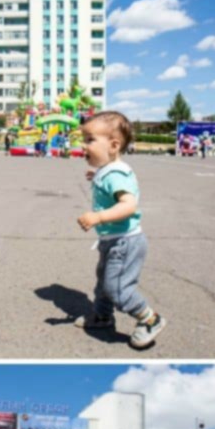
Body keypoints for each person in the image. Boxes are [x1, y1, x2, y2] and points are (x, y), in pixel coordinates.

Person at [75, 111, 166, 350]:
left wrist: (98, 217)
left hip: (125, 242)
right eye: (84, 140)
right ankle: (103, 316)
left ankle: (150, 319)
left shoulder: (116, 174)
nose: (83, 145)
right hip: (113, 240)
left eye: (90, 140)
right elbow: (110, 184)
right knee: (104, 283)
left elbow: (128, 205)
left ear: (114, 146)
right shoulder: (108, 170)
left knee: (116, 287)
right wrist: (97, 176)